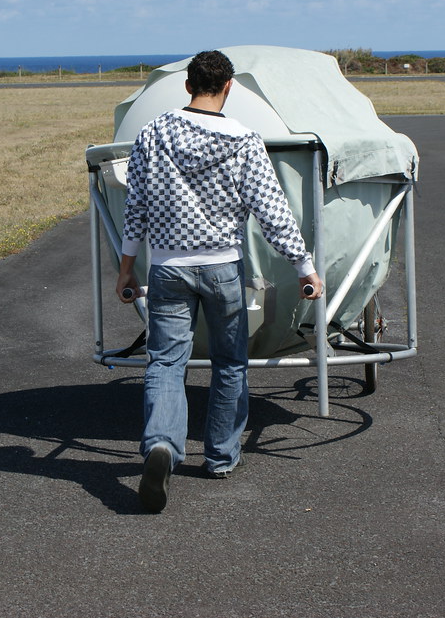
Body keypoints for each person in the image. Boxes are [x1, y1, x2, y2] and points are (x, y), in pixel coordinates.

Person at [116, 50, 323, 513]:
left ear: (187, 85)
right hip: (223, 267)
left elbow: (137, 206)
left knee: (166, 363)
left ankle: (161, 448)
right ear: (228, 87)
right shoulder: (245, 139)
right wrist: (304, 268)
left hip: (168, 267)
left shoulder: (156, 132)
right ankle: (221, 458)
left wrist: (128, 266)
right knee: (230, 363)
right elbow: (274, 213)